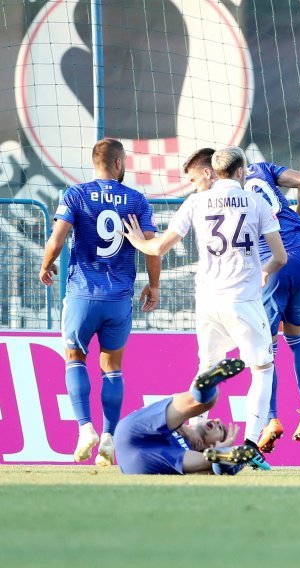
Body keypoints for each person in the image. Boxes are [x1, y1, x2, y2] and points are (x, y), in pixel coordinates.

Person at [120, 146, 287, 471]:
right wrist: (264, 271)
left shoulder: (196, 201)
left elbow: (158, 247)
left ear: (214, 171)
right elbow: (280, 257)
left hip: (208, 302)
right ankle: (251, 445)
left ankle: (198, 436)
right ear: (241, 172)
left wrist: (138, 240)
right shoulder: (256, 202)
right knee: (262, 369)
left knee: (208, 368)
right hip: (244, 300)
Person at [39, 138, 161, 466]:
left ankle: (85, 429)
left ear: (95, 163)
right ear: (119, 163)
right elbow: (152, 246)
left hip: (82, 293)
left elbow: (58, 237)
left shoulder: (76, 194)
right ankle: (108, 435)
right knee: (112, 367)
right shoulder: (136, 199)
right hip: (118, 297)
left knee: (75, 359)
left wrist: (46, 262)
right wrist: (153, 285)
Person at [244, 156, 300, 452]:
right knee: (298, 338)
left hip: (273, 262)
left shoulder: (223, 194)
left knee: (267, 347)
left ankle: (271, 419)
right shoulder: (262, 168)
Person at [115, 358, 257, 475]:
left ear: (211, 445)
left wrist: (223, 450)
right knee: (207, 402)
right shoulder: (178, 422)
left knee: (209, 464)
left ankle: (223, 457)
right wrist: (186, 429)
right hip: (132, 432)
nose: (218, 421)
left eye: (222, 431)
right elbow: (176, 414)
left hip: (141, 463)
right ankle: (205, 386)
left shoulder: (194, 455)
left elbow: (208, 471)